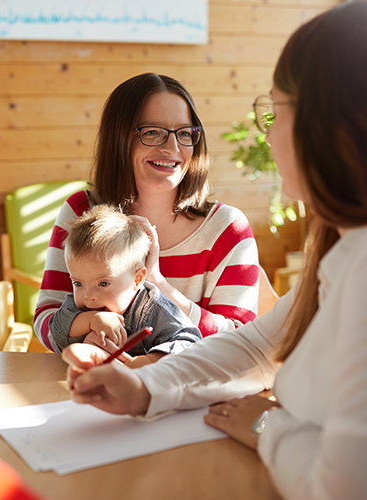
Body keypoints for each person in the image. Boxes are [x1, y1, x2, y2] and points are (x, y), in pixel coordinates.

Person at [63, 2, 367, 498]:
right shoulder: (355, 240)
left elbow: (352, 488)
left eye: (275, 111)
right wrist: (144, 389)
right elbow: (256, 346)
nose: (266, 134)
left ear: (332, 124)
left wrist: (267, 428)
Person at [35, 73, 259, 352]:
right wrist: (92, 324)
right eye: (152, 132)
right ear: (118, 139)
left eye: (185, 133)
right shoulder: (81, 211)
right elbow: (45, 318)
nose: (173, 148)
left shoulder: (228, 228)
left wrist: (156, 282)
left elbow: (243, 341)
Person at [49, 204, 201, 363]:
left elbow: (190, 341)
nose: (88, 296)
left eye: (103, 283)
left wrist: (150, 361)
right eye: (78, 283)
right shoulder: (79, 308)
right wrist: (91, 320)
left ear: (137, 279)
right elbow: (56, 329)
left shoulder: (153, 310)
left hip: (144, 384)